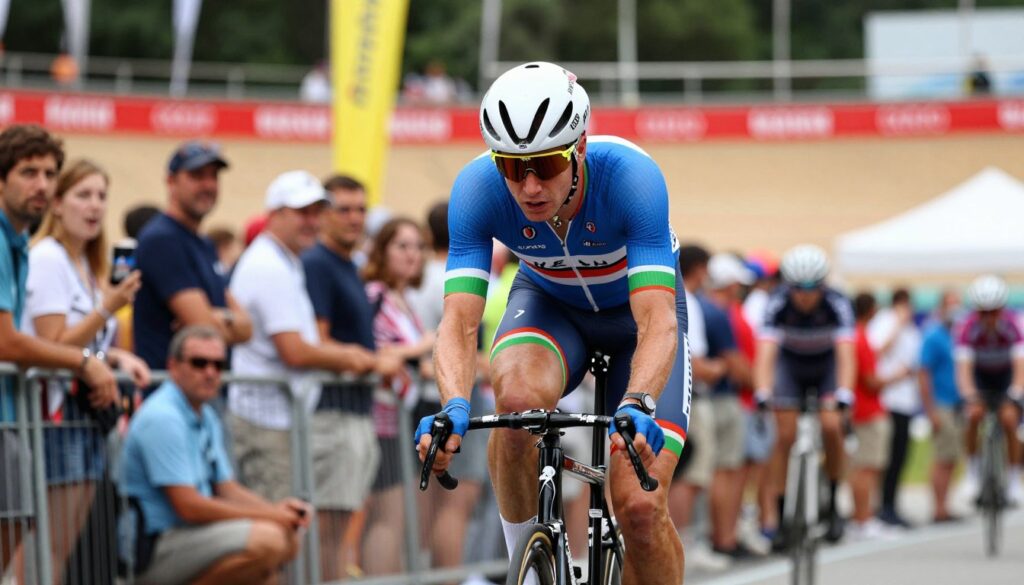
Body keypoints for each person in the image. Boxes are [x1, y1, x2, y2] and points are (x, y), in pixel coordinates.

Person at [414, 62, 691, 585]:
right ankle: (529, 569)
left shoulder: (631, 178)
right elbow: (457, 323)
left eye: (544, 164)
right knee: (516, 409)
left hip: (637, 326)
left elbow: (656, 321)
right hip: (550, 306)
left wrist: (638, 403)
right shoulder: (476, 189)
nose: (530, 186)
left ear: (579, 147)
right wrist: (452, 404)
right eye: (513, 168)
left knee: (637, 507)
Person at [21, 159, 151, 582]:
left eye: (101, 196)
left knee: (61, 546)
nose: (94, 206)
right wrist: (108, 307)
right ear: (57, 204)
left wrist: (114, 358)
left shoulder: (83, 265)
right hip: (55, 414)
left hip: (82, 415)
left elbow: (84, 341)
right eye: (83, 195)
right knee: (46, 545)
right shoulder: (48, 259)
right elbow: (54, 341)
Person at [0, 124, 118, 571]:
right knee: (39, 550)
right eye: (29, 172)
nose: (42, 185)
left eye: (49, 173)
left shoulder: (22, 245)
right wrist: (86, 359)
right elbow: (13, 341)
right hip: (44, 413)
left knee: (46, 549)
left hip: (32, 414)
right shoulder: (40, 251)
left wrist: (109, 356)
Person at [120, 326, 310, 585]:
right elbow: (189, 507)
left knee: (285, 542)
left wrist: (277, 511)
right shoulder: (163, 417)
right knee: (270, 540)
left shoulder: (205, 413)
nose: (210, 373)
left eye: (218, 365)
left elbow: (227, 488)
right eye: (199, 363)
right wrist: (272, 516)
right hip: (158, 545)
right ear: (173, 366)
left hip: (191, 536)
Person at [227, 170, 374, 504]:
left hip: (276, 417)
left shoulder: (283, 260)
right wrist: (352, 357)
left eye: (316, 212)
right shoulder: (269, 265)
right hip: (265, 421)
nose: (311, 221)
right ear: (275, 215)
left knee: (285, 528)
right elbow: (293, 350)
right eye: (301, 213)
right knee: (278, 526)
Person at [299, 174, 403, 580]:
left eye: (360, 209)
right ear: (323, 215)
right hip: (331, 414)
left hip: (354, 413)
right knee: (328, 529)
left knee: (341, 528)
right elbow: (318, 341)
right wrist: (371, 362)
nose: (354, 218)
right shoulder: (318, 265)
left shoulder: (346, 265)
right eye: (343, 209)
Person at [408, 200, 489, 576]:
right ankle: (449, 579)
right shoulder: (459, 277)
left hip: (424, 398)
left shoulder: (418, 276)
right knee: (456, 504)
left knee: (429, 504)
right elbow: (458, 344)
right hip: (452, 399)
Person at [754, 244, 855, 546]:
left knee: (831, 426)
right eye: (798, 288)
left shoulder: (838, 302)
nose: (805, 295)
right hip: (791, 368)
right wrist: (762, 390)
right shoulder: (777, 302)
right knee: (784, 437)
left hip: (826, 369)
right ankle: (784, 513)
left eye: (812, 288)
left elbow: (846, 354)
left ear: (823, 285)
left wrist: (845, 393)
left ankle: (834, 503)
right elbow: (766, 353)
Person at [133, 141, 252, 373]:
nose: (208, 185)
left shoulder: (204, 243)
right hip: (169, 391)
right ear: (171, 181)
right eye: (197, 176)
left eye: (214, 176)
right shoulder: (163, 240)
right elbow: (204, 329)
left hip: (202, 392)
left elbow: (248, 328)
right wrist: (219, 320)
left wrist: (219, 317)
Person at [362, 217, 433, 575]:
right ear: (382, 249)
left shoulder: (404, 298)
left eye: (418, 246)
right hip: (381, 419)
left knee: (397, 515)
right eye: (402, 246)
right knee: (387, 515)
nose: (412, 255)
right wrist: (424, 345)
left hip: (401, 419)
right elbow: (376, 354)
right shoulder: (374, 295)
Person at [955, 274, 1024, 505]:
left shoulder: (1014, 325)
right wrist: (969, 395)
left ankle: (1014, 480)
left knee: (1009, 419)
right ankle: (972, 471)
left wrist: (1015, 393)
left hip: (1006, 377)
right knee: (974, 415)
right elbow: (964, 370)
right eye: (983, 312)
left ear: (1002, 309)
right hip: (981, 376)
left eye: (994, 312)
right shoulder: (967, 327)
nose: (989, 318)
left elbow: (1020, 367)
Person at [848, 293, 902, 541]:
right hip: (867, 412)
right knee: (866, 468)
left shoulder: (857, 337)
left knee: (865, 467)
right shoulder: (860, 338)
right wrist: (897, 377)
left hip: (863, 411)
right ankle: (863, 519)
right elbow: (871, 381)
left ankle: (862, 517)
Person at [918, 289, 964, 523]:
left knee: (953, 456)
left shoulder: (959, 334)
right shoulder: (933, 336)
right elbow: (923, 374)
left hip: (959, 403)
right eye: (950, 304)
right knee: (942, 457)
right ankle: (938, 508)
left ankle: (945, 504)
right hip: (942, 403)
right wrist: (930, 409)